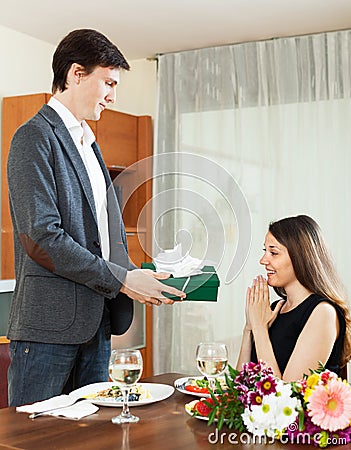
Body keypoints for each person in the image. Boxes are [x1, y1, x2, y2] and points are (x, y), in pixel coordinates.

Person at [7, 29, 185, 407]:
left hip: (98, 327)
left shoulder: (89, 143)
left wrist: (138, 276)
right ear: (75, 73)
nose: (113, 95)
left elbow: (102, 237)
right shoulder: (33, 137)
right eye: (108, 82)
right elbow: (43, 237)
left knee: (96, 439)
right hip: (48, 333)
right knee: (36, 442)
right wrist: (123, 280)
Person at [236, 215, 351, 381]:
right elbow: (240, 386)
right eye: (265, 251)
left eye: (273, 253)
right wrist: (249, 328)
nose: (263, 260)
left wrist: (260, 329)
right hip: (256, 408)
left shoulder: (322, 313)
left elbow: (286, 395)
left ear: (300, 256)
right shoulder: (276, 308)